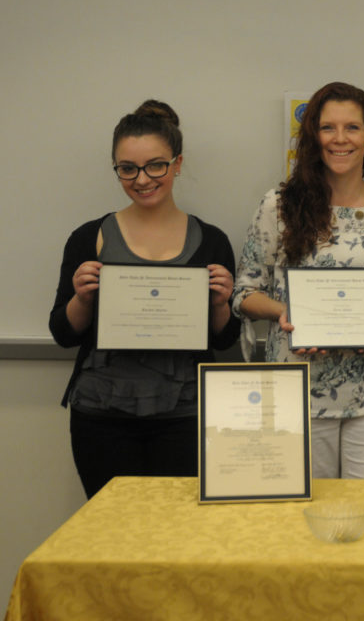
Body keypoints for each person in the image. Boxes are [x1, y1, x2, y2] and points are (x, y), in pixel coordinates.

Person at [49, 100, 240, 498]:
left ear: (177, 164)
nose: (142, 179)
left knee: (177, 534)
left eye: (156, 165)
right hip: (102, 412)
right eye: (127, 169)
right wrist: (82, 297)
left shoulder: (213, 241)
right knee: (111, 534)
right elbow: (63, 333)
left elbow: (223, 340)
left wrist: (221, 303)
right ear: (117, 169)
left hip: (186, 412)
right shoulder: (88, 237)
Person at [232, 82, 364, 479]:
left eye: (352, 128)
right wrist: (287, 310)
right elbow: (244, 293)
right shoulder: (278, 205)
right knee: (300, 521)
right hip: (295, 390)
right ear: (313, 138)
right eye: (327, 128)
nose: (340, 139)